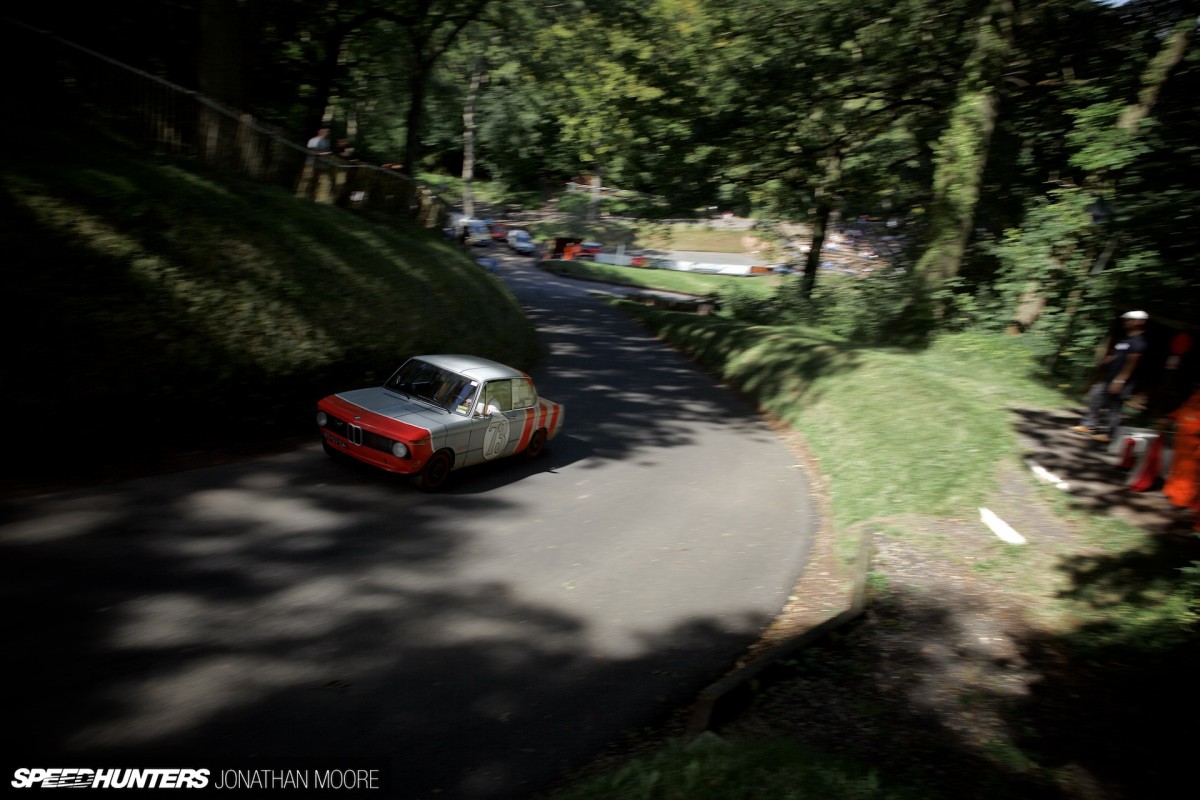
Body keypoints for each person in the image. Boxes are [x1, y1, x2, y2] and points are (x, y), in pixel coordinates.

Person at [1071, 310, 1150, 443]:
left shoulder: (1139, 342)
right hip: (1110, 377)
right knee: (1095, 396)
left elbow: (1131, 363)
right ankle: (1089, 425)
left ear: (1140, 322)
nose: (1126, 322)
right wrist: (1108, 360)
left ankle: (1109, 434)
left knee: (1115, 406)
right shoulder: (1126, 339)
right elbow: (1117, 354)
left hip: (1122, 380)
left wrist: (1120, 380)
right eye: (1126, 320)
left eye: (1130, 320)